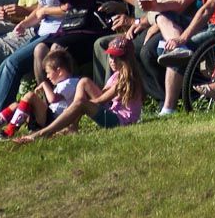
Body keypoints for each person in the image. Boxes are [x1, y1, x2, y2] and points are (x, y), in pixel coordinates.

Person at [15, 36, 143, 142]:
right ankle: (72, 127)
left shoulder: (127, 79)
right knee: (83, 82)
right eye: (111, 56)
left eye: (117, 57)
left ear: (127, 59)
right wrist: (79, 103)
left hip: (120, 122)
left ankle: (43, 133)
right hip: (112, 113)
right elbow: (102, 94)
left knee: (81, 104)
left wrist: (77, 107)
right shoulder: (116, 75)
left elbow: (101, 100)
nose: (112, 61)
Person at [0, 49, 79, 142]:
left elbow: (52, 99)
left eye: (48, 73)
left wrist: (44, 85)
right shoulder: (63, 84)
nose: (47, 76)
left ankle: (8, 133)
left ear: (59, 71)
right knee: (15, 105)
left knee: (30, 96)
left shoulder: (70, 83)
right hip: (48, 117)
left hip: (54, 121)